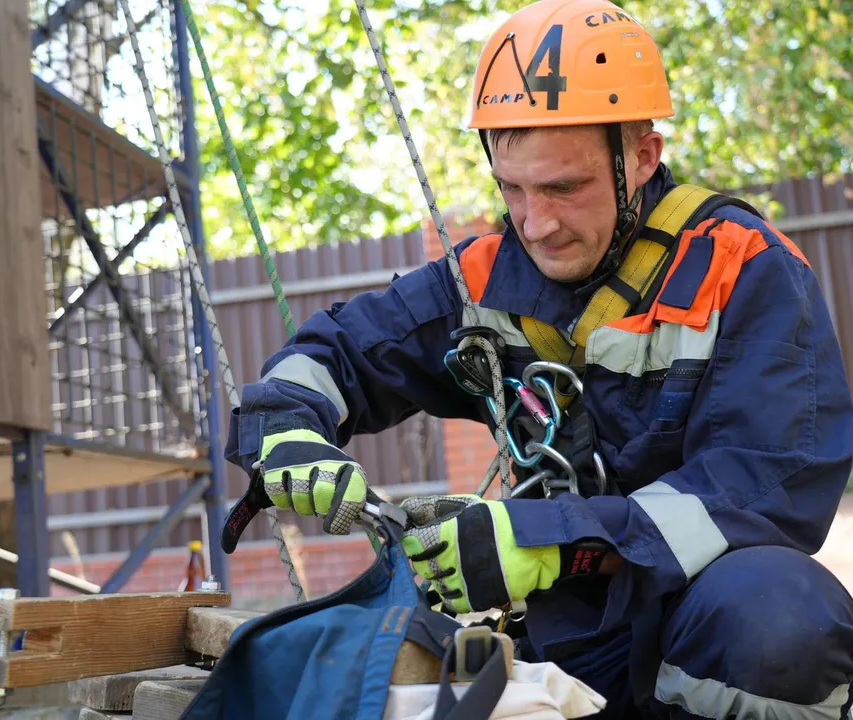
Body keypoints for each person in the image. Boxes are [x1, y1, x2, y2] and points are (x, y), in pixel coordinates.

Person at [223, 0, 853, 717]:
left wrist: (550, 543)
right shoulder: (486, 277)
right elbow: (335, 351)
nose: (536, 223)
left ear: (642, 157)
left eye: (563, 187)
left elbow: (764, 487)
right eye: (510, 188)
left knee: (780, 621)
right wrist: (288, 432)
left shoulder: (743, 268)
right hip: (559, 636)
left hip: (703, 628)